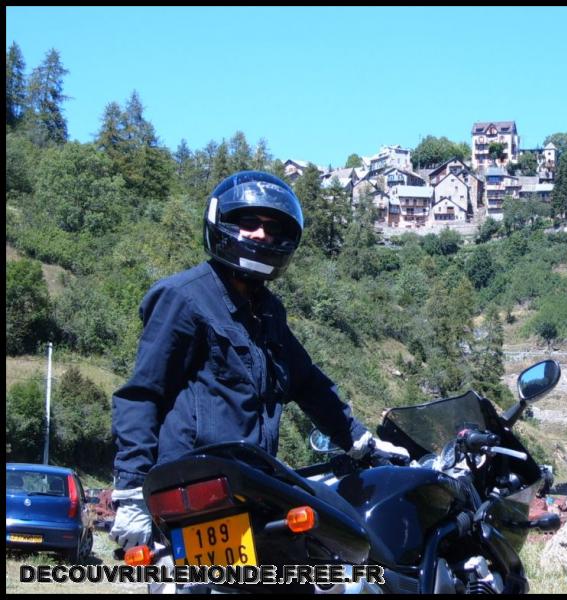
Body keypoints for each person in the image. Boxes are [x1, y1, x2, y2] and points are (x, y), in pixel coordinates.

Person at [110, 170, 408, 553]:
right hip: (197, 486)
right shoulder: (183, 298)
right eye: (248, 223)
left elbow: (308, 383)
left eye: (272, 228)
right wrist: (132, 490)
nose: (261, 235)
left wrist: (362, 441)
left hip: (251, 484)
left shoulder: (268, 312)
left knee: (343, 543)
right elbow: (141, 394)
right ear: (221, 223)